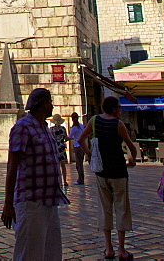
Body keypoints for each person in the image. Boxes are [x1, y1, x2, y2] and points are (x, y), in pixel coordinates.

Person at [2, 88, 69, 261]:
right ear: (42, 104)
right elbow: (12, 166)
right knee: (30, 254)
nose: (52, 106)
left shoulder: (45, 128)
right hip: (31, 201)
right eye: (49, 102)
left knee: (52, 254)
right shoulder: (22, 128)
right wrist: (8, 203)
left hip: (50, 200)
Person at [78, 96, 137, 261]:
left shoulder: (94, 120)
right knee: (121, 208)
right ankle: (121, 250)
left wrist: (89, 154)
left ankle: (108, 249)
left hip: (101, 171)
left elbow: (80, 139)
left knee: (105, 209)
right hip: (118, 171)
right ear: (113, 108)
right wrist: (132, 160)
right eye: (118, 107)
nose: (120, 110)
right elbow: (131, 146)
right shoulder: (118, 124)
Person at [50, 114, 69, 188]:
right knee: (63, 166)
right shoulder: (63, 129)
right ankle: (65, 181)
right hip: (62, 148)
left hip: (55, 148)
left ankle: (59, 181)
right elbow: (66, 138)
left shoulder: (51, 129)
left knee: (56, 166)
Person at [69, 112, 86, 185]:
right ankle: (80, 178)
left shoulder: (74, 128)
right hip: (82, 146)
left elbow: (69, 137)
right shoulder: (82, 126)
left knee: (78, 165)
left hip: (77, 146)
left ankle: (80, 179)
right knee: (80, 163)